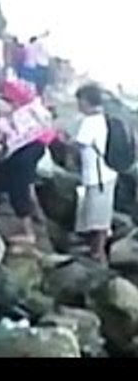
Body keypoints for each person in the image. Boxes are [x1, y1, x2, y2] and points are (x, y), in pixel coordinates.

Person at [0, 80, 56, 246]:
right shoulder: (9, 99)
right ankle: (39, 217)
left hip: (23, 147)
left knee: (17, 187)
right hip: (38, 141)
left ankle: (29, 233)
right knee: (27, 182)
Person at [72, 84, 117, 262]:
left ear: (85, 101)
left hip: (97, 176)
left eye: (79, 101)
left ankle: (98, 253)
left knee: (98, 218)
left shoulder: (90, 122)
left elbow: (79, 144)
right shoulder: (105, 117)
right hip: (108, 172)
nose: (78, 105)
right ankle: (95, 249)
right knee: (100, 214)